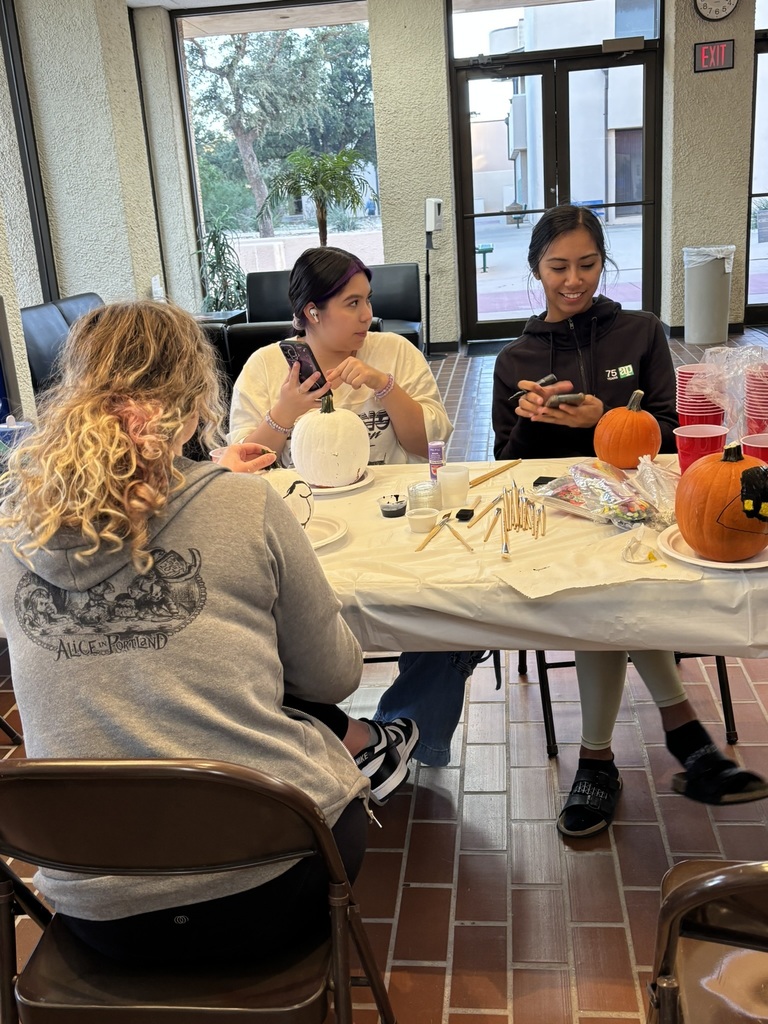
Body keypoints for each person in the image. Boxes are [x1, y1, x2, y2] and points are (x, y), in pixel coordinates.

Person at [0, 299, 412, 966]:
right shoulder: (246, 502)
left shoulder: (10, 534)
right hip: (269, 888)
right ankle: (377, 747)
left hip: (95, 915)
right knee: (297, 702)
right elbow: (335, 677)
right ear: (194, 400)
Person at [492, 204, 768, 838]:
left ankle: (599, 761)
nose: (573, 281)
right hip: (560, 514)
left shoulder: (640, 332)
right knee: (605, 589)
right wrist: (536, 422)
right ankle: (686, 739)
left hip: (643, 506)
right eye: (558, 267)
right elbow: (507, 465)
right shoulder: (517, 358)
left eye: (587, 265)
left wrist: (602, 420)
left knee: (614, 588)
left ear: (603, 263)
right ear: (536, 268)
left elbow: (675, 435)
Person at [229, 246, 487, 768]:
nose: (368, 316)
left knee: (456, 607)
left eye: (368, 301)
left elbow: (425, 444)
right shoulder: (266, 367)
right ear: (310, 313)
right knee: (257, 620)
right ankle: (322, 740)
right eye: (352, 304)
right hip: (304, 532)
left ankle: (403, 731)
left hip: (394, 521)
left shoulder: (392, 352)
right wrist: (283, 414)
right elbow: (241, 467)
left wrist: (384, 386)